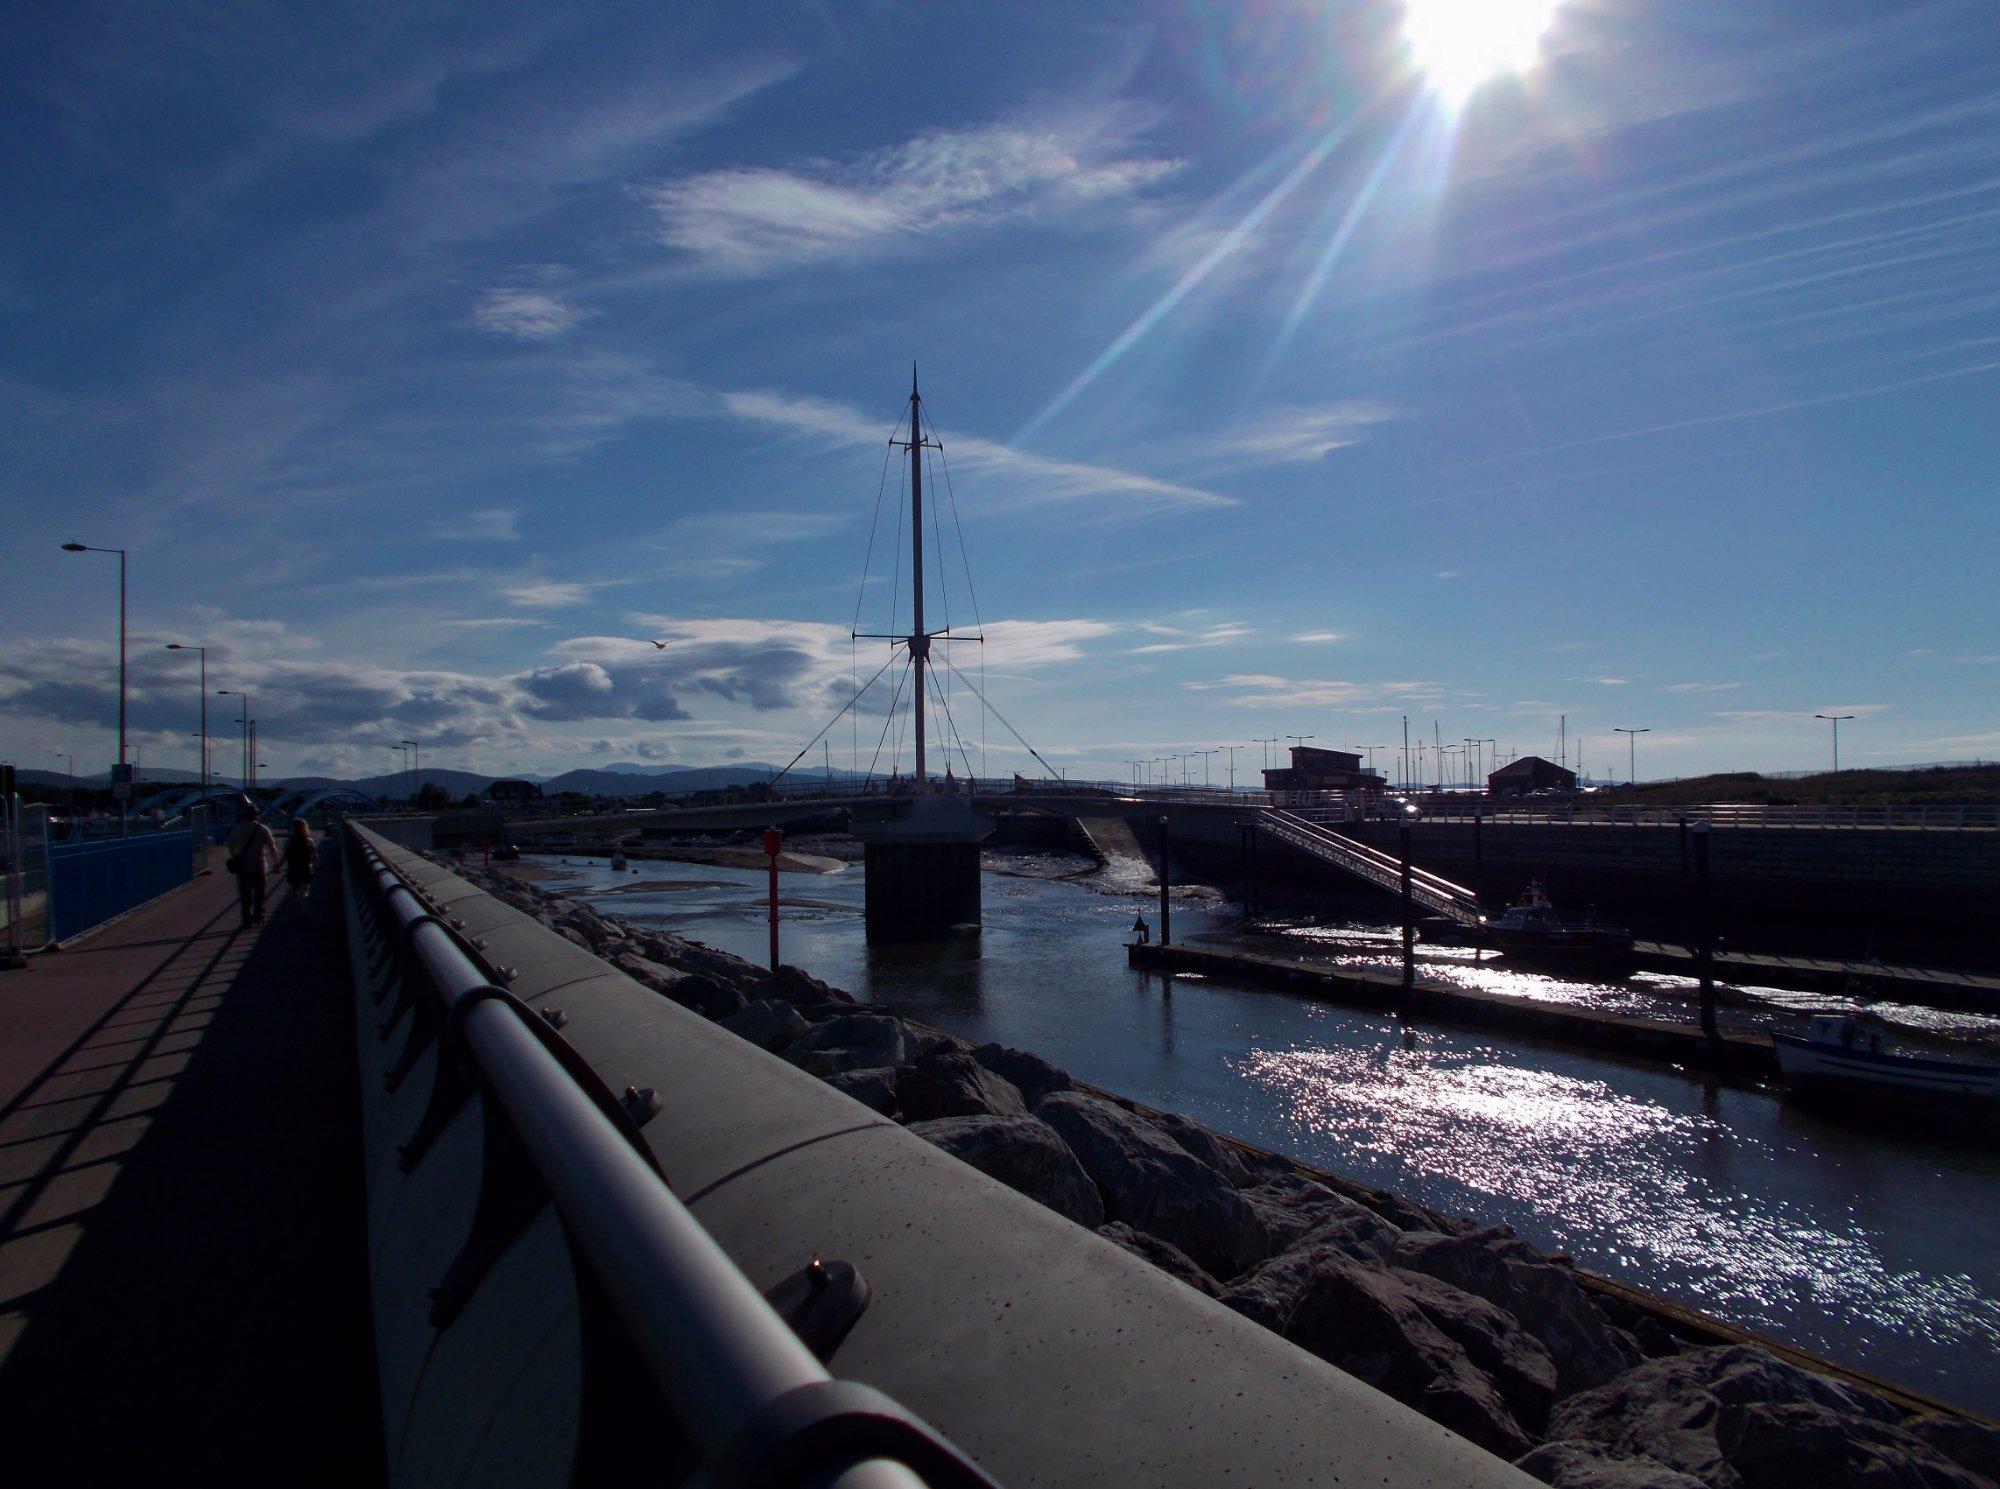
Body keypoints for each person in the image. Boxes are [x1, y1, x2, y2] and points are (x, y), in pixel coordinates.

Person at [224, 798, 279, 927]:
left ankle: (246, 919)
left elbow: (230, 844)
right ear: (257, 815)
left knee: (245, 895)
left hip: (243, 865)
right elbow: (272, 847)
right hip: (259, 865)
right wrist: (276, 862)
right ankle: (258, 915)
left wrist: (235, 855)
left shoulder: (238, 828)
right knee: (260, 893)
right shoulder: (263, 828)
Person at [283, 818, 315, 910]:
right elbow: (315, 857)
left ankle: (294, 909)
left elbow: (284, 856)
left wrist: (277, 866)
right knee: (305, 891)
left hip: (293, 868)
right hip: (306, 868)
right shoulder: (309, 841)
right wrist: (315, 865)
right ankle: (303, 913)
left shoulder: (288, 841)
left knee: (294, 890)